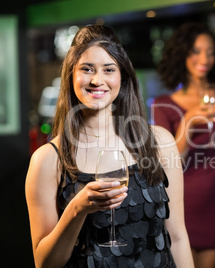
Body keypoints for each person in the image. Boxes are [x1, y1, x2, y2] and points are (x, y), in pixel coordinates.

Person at [25, 24, 194, 268]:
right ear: (71, 75)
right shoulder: (48, 160)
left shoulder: (161, 143)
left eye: (108, 69)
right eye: (87, 69)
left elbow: (177, 239)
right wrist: (77, 209)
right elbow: (45, 263)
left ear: (122, 77)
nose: (97, 80)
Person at [152, 22, 215, 268]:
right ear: (182, 54)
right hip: (179, 204)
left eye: (210, 52)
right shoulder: (164, 104)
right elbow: (168, 163)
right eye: (196, 51)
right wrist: (188, 121)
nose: (204, 58)